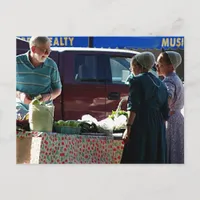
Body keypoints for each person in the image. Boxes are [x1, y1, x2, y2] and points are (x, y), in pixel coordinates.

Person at [120, 52, 170, 164]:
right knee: (153, 157)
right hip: (157, 125)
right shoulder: (161, 84)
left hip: (142, 123)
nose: (132, 69)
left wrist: (128, 128)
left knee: (138, 155)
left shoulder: (137, 81)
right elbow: (166, 112)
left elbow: (133, 107)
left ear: (138, 66)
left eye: (132, 66)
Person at [16, 36, 62, 119]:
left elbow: (58, 89)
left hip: (43, 109)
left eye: (49, 50)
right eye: (44, 50)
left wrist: (48, 97)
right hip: (19, 109)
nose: (47, 54)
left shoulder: (52, 65)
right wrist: (19, 95)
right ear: (33, 49)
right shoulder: (16, 62)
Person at [156, 51, 184, 163]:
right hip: (177, 119)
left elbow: (168, 96)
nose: (157, 67)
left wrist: (163, 111)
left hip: (171, 120)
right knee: (177, 153)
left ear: (171, 66)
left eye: (160, 65)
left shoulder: (169, 80)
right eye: (157, 64)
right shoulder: (175, 78)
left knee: (170, 154)